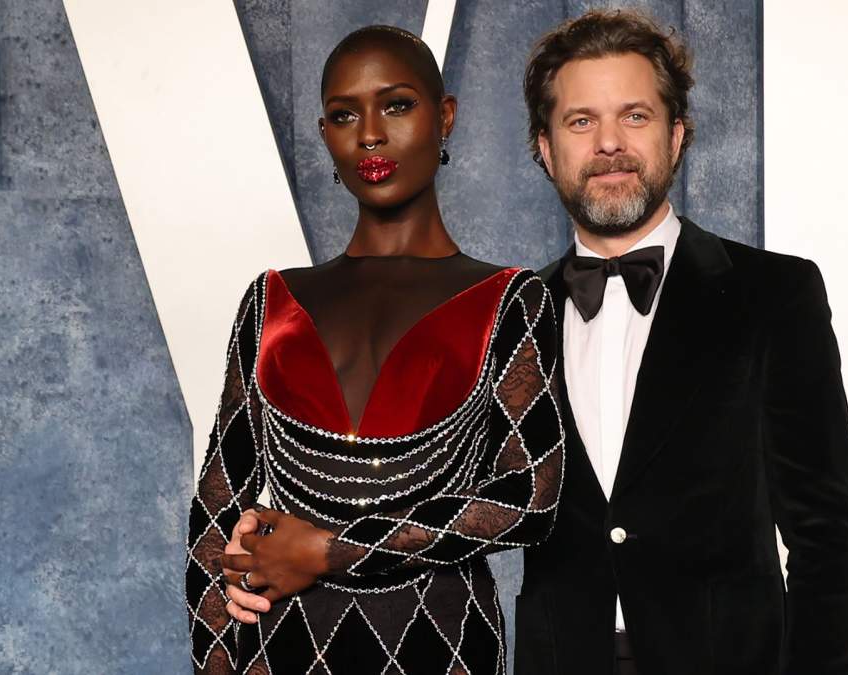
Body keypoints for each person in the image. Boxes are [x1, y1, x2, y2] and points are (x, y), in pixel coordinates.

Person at [185, 25, 564, 674]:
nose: (369, 134)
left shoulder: (509, 299)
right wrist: (217, 661)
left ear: (444, 117)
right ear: (325, 133)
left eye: (396, 104)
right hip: (284, 648)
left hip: (443, 646)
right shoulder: (271, 303)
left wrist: (329, 549)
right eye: (342, 114)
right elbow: (216, 511)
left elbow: (530, 497)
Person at [516, 10, 848, 675]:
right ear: (545, 146)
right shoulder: (514, 317)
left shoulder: (774, 295)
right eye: (581, 121)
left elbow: (828, 537)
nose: (610, 143)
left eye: (636, 116)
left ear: (677, 136)